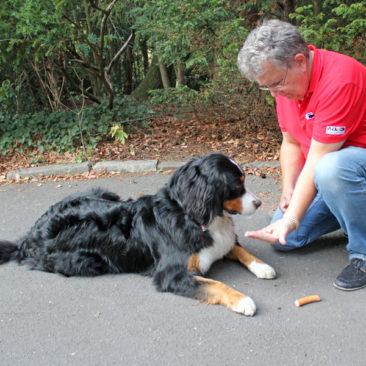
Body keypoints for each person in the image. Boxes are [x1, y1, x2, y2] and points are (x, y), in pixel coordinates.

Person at [237, 19, 366, 291]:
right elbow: (291, 142)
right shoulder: (285, 85)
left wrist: (292, 217)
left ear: (299, 60)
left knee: (332, 169)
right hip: (333, 181)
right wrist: (290, 189)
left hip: (346, 170)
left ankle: (362, 252)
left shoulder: (340, 79)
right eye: (266, 87)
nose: (274, 93)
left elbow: (320, 160)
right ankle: (352, 213)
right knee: (286, 239)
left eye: (276, 84)